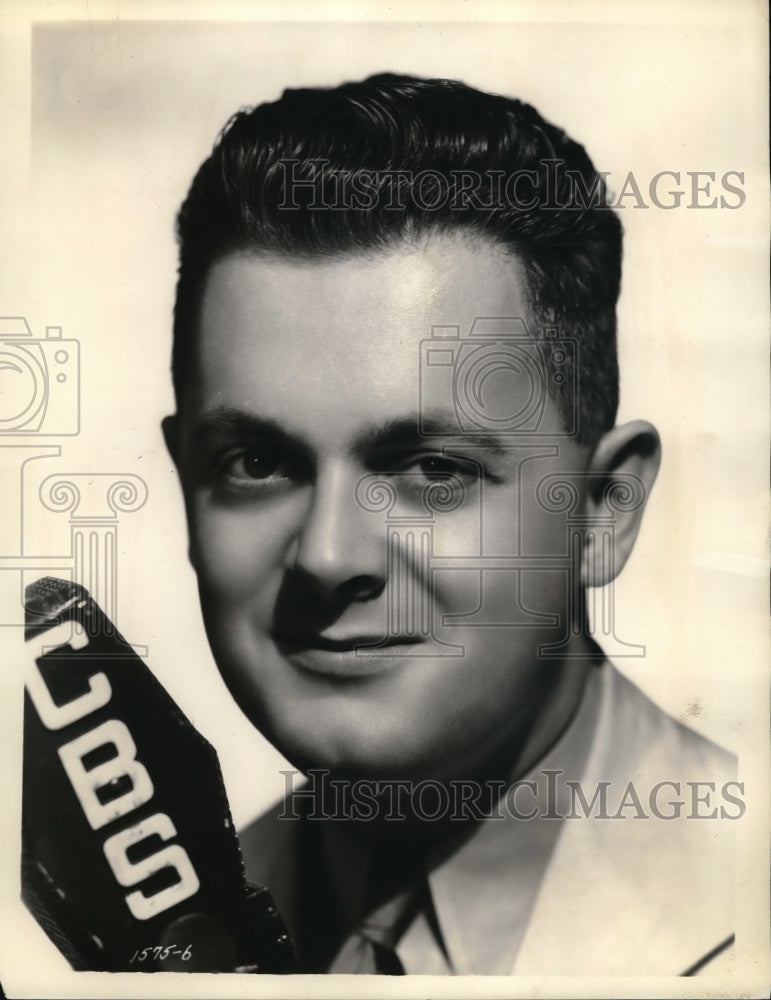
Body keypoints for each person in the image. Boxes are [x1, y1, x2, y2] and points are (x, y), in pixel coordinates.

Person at [162, 74, 737, 976]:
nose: (325, 555)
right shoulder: (171, 934)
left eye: (433, 469)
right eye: (257, 464)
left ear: (599, 511)